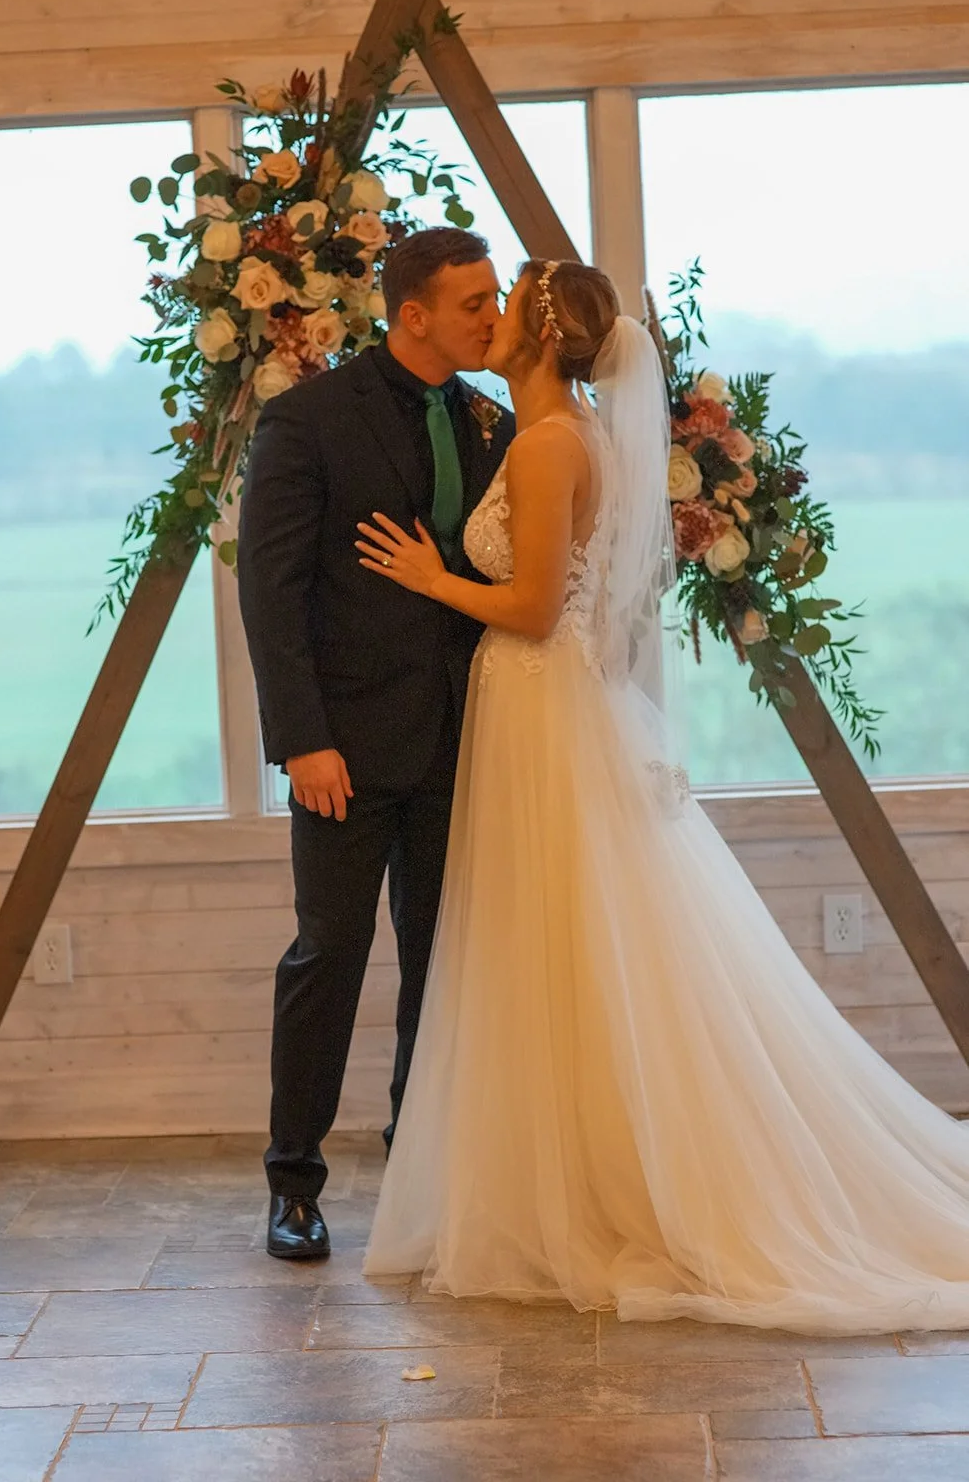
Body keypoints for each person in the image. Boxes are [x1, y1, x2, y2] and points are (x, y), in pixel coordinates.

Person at [359, 258, 969, 1332]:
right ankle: (557, 1182)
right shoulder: (554, 432)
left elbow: (536, 607)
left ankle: (592, 1200)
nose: (491, 319)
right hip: (539, 713)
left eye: (506, 307)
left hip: (543, 706)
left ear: (542, 337)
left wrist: (428, 578)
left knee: (560, 940)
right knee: (554, 944)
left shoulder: (553, 445)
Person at [237, 228, 513, 1261]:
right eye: (475, 300)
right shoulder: (306, 420)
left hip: (465, 744)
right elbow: (271, 591)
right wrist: (301, 739)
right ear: (413, 314)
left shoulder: (492, 420)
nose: (492, 316)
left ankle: (419, 1166)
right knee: (330, 954)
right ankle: (292, 1182)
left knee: (440, 965)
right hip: (342, 754)